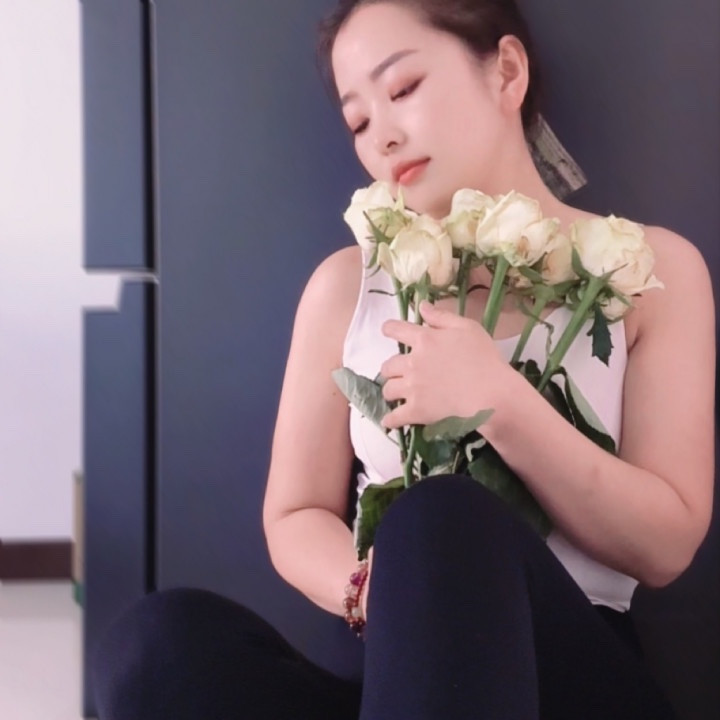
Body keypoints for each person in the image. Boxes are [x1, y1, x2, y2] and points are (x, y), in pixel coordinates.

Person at [91, 1, 715, 718]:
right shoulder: (345, 287)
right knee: (155, 646)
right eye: (358, 121)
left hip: (573, 682)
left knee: (440, 520)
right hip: (395, 677)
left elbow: (666, 545)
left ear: (506, 72)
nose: (382, 136)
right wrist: (373, 590)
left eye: (404, 88)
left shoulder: (647, 269)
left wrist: (504, 407)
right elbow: (294, 513)